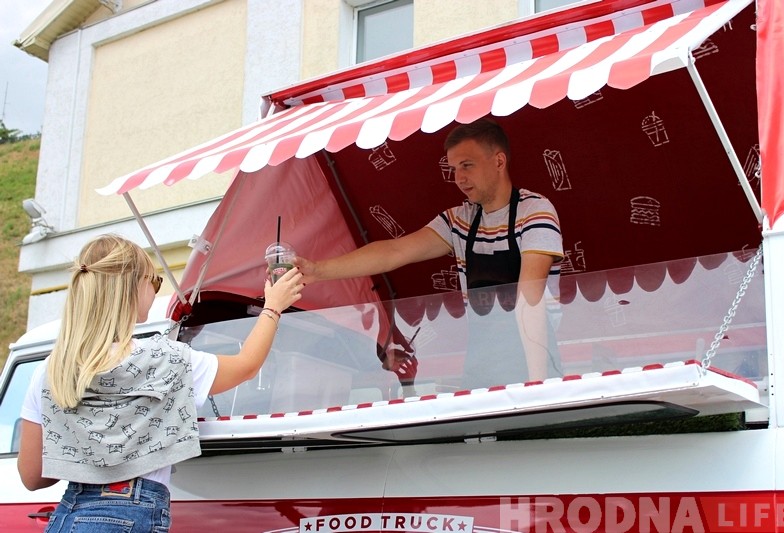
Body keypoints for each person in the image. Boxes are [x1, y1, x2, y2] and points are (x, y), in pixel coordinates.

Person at [17, 234, 303, 532]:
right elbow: (246, 365)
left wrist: (87, 454)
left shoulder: (51, 370)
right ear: (133, 287)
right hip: (134, 515)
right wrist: (273, 306)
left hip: (70, 514)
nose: (155, 292)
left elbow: (33, 476)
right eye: (154, 282)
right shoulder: (166, 359)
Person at [296, 118, 563, 389]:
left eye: (467, 165)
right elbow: (394, 251)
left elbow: (530, 299)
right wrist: (318, 271)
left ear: (498, 161)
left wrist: (537, 386)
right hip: (481, 372)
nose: (459, 178)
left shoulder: (535, 211)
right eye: (454, 169)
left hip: (535, 364)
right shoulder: (459, 220)